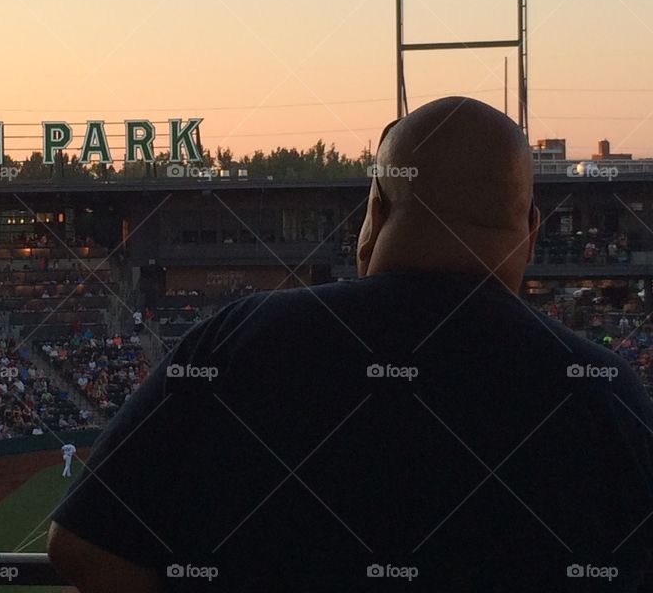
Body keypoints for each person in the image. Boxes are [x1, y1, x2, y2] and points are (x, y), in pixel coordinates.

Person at [47, 98, 653, 592]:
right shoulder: (608, 391)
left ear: (375, 209)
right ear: (529, 230)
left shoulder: (238, 340)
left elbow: (82, 546)